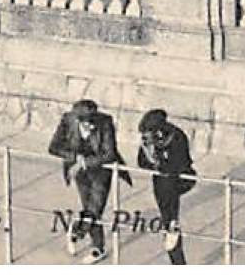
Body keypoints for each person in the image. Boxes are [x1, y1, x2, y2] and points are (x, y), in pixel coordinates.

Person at [47, 99, 127, 263]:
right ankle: (96, 245)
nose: (91, 127)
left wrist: (84, 162)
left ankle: (79, 232)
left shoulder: (105, 122)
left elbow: (109, 154)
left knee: (95, 209)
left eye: (93, 123)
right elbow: (53, 147)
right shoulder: (67, 120)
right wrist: (75, 158)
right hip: (79, 173)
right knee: (88, 208)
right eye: (87, 125)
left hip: (101, 171)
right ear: (77, 120)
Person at [136, 109, 195, 265]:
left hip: (181, 179)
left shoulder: (177, 136)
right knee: (166, 213)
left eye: (150, 131)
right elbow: (141, 162)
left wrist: (158, 162)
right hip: (162, 182)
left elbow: (179, 164)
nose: (147, 136)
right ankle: (172, 229)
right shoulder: (149, 139)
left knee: (169, 213)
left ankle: (173, 231)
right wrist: (149, 156)